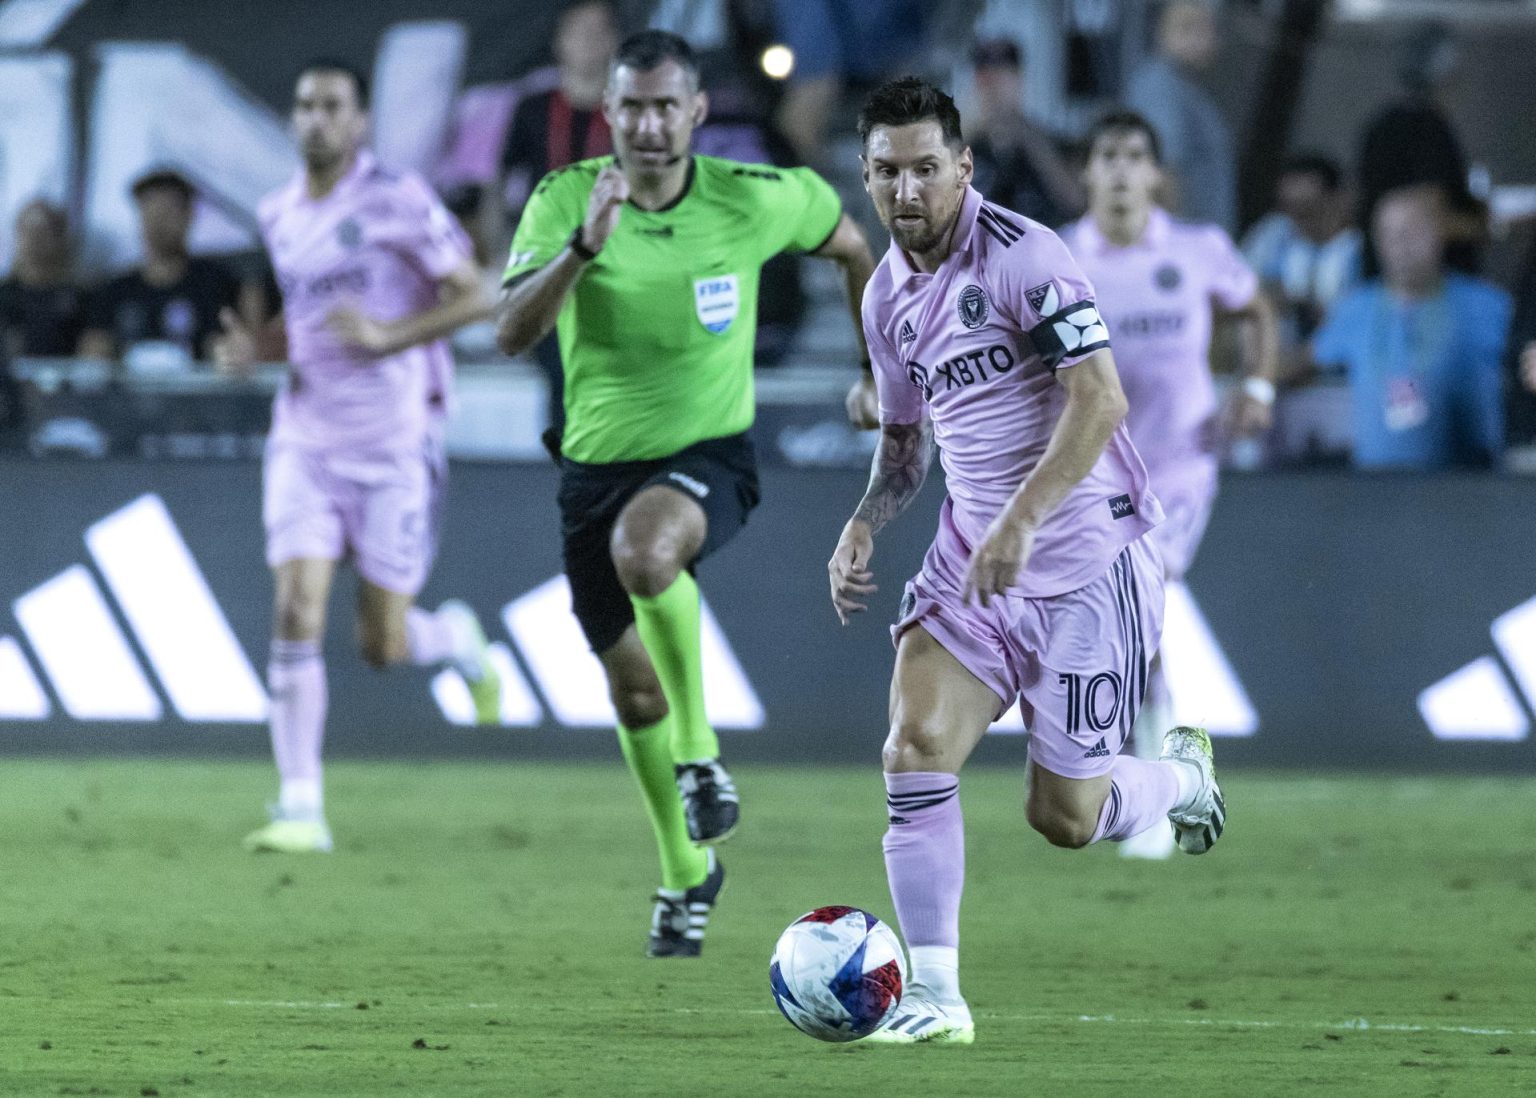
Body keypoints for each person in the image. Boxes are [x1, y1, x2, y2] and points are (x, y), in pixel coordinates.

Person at [827, 77, 1225, 1044]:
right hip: (974, 561)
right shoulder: (886, 296)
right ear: (868, 178)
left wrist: (1021, 520)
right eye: (888, 172)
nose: (908, 190)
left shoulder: (1026, 257)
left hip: (1088, 557)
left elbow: (1100, 401)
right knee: (913, 750)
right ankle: (937, 997)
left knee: (1067, 817)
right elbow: (906, 442)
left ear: (963, 169)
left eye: (927, 168)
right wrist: (867, 521)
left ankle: (1180, 781)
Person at [496, 30, 877, 957]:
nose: (650, 124)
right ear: (610, 114)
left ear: (698, 113)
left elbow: (855, 245)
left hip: (710, 454)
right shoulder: (565, 199)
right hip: (593, 469)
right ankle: (685, 872)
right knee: (633, 701)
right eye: (632, 107)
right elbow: (511, 332)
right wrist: (584, 248)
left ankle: (702, 756)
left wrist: (879, 372)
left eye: (668, 106)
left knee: (647, 550)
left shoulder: (753, 200)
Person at [214, 60, 503, 854]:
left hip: (394, 445)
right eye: (304, 104)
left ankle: (459, 643)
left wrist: (386, 337)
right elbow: (308, 328)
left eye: (331, 105)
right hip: (304, 438)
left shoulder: (398, 200)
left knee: (384, 644)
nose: (315, 118)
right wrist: (257, 352)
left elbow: (477, 293)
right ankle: (300, 807)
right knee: (295, 610)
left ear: (359, 121)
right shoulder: (277, 214)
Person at [1059, 111, 1275, 859]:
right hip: (1094, 472)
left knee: (1141, 593)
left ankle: (1156, 793)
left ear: (1156, 174)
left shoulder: (1199, 250)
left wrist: (1258, 387)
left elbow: (1256, 311)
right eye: (1107, 155)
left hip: (1181, 464)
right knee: (1118, 628)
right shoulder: (1056, 258)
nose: (1121, 169)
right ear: (1086, 171)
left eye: (1135, 156)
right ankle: (1176, 768)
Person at [1306, 184, 1508, 471]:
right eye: (1389, 234)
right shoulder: (1355, 308)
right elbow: (1305, 361)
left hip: (1469, 485)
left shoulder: (1488, 305)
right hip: (1378, 487)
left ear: (1439, 234)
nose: (1400, 245)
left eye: (1412, 232)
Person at [79, 170, 258, 368]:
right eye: (150, 212)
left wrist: (232, 352)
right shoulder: (115, 290)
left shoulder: (216, 282)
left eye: (167, 212)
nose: (158, 223)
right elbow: (93, 353)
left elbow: (230, 340)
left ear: (189, 215)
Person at [1125, 0, 1236, 234]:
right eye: (1189, 27)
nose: (1206, 37)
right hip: (1184, 246)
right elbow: (1162, 172)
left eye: (1209, 27)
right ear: (1162, 30)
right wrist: (1177, 247)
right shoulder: (1159, 85)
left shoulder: (1187, 87)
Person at [1241, 154, 1362, 357]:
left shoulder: (1362, 247)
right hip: (1283, 362)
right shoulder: (1275, 236)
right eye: (1290, 207)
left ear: (1339, 199)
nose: (1298, 218)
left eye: (1309, 208)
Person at [965, 39, 1083, 228]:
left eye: (1002, 80)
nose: (994, 90)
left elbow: (1076, 203)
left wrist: (1030, 140)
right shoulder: (966, 146)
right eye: (986, 82)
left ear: (1018, 82)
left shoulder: (1050, 144)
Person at [0, 200, 86, 358]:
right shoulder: (4, 294)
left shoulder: (79, 298)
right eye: (28, 233)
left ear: (58, 239)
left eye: (42, 233)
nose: (34, 242)